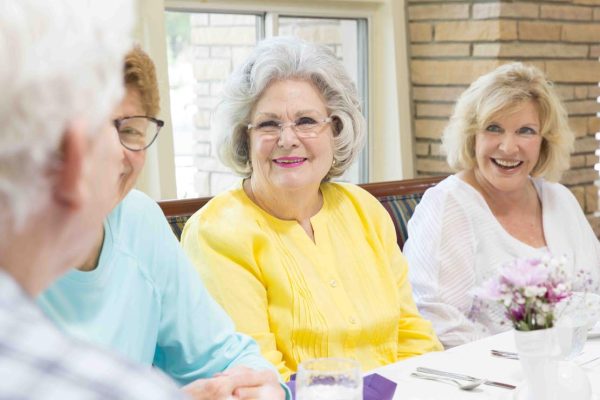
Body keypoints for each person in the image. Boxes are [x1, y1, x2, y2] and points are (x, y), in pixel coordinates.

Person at [181, 36, 442, 381]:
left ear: (336, 130)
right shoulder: (217, 234)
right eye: (269, 124)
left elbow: (413, 335)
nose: (288, 139)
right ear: (245, 138)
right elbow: (259, 377)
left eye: (306, 121)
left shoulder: (365, 210)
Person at [37, 47, 287, 400]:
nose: (112, 152)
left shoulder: (139, 221)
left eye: (131, 129)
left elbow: (225, 356)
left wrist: (263, 389)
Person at [0, 0, 185, 398]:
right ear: (76, 160)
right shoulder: (121, 390)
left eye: (133, 129)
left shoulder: (141, 220)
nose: (121, 154)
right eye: (108, 130)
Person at [404, 62, 600, 348]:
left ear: (544, 141)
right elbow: (437, 322)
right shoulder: (448, 204)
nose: (508, 147)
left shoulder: (560, 199)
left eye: (526, 131)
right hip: (491, 380)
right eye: (494, 128)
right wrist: (526, 361)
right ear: (472, 136)